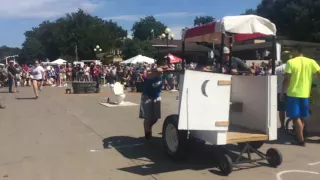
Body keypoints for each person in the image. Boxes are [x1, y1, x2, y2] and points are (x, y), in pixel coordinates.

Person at [281, 45, 320, 146]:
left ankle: (300, 140)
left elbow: (287, 79)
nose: (291, 54)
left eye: (292, 51)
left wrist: (282, 92)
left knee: (295, 117)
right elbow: (319, 73)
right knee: (301, 117)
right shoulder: (311, 62)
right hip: (305, 94)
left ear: (295, 50)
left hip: (293, 94)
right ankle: (299, 136)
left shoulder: (291, 62)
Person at [139, 66, 164, 140]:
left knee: (156, 117)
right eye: (159, 72)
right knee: (147, 118)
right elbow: (145, 72)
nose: (160, 73)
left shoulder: (163, 75)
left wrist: (162, 69)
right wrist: (155, 70)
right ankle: (147, 133)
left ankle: (149, 127)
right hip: (147, 97)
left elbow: (171, 69)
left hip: (156, 97)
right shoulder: (148, 76)